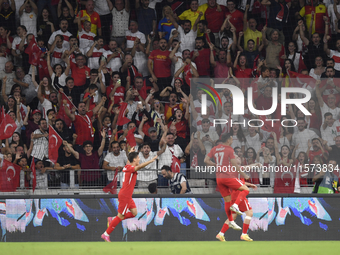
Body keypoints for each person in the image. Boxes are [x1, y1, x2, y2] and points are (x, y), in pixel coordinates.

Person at [101, 149, 158, 242]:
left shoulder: (127, 166)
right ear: (134, 160)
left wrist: (130, 152)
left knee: (134, 213)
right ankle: (106, 234)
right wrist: (150, 161)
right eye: (138, 157)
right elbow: (138, 167)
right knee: (120, 216)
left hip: (127, 195)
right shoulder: (131, 168)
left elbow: (129, 162)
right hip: (125, 196)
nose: (139, 159)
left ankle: (114, 219)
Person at [204, 133, 250, 233]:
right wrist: (244, 175)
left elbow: (206, 160)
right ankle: (236, 205)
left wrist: (215, 165)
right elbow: (235, 164)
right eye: (232, 139)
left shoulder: (215, 149)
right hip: (227, 176)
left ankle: (231, 221)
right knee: (246, 189)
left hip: (219, 178)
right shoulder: (229, 149)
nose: (232, 140)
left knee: (227, 201)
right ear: (228, 140)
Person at [216, 154, 260, 242]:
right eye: (236, 157)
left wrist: (249, 184)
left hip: (233, 194)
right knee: (249, 213)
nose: (238, 158)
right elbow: (246, 168)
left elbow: (239, 182)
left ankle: (220, 234)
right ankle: (244, 234)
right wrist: (256, 164)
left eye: (239, 157)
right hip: (239, 194)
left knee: (233, 216)